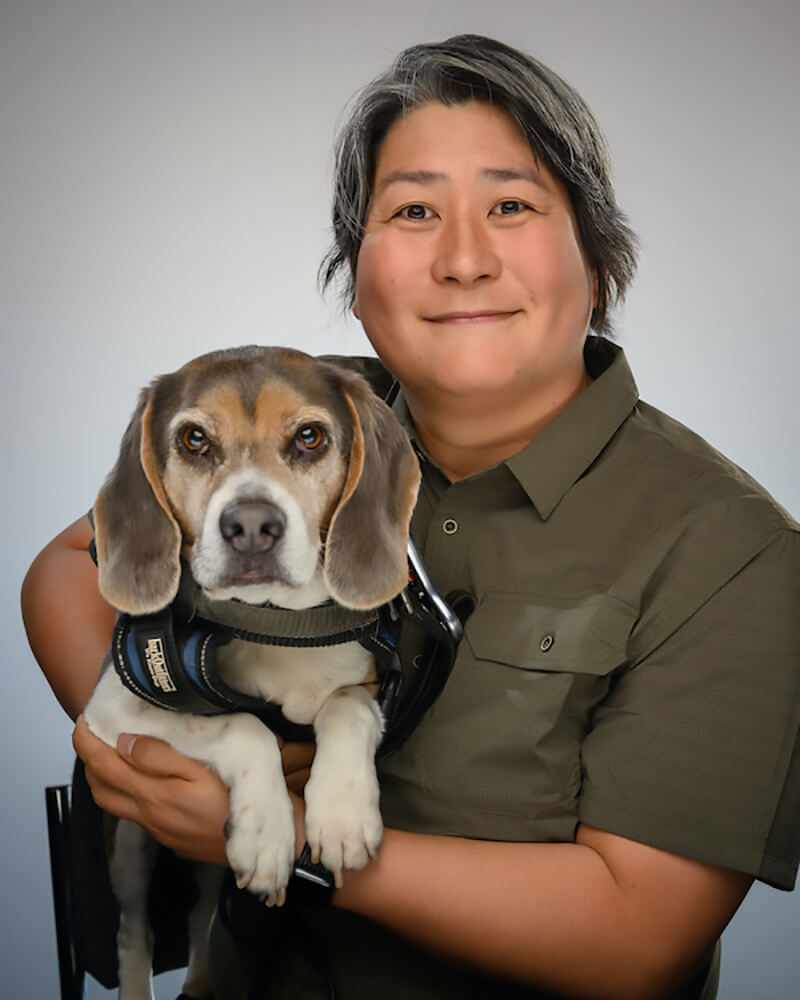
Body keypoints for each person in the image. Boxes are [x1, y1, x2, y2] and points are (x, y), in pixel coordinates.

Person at [22, 33, 799, 1000]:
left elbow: (635, 936)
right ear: (356, 276)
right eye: (415, 210)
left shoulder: (733, 549)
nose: (464, 259)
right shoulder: (308, 412)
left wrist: (298, 844)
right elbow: (71, 567)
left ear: (597, 260)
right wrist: (169, 742)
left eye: (511, 206)